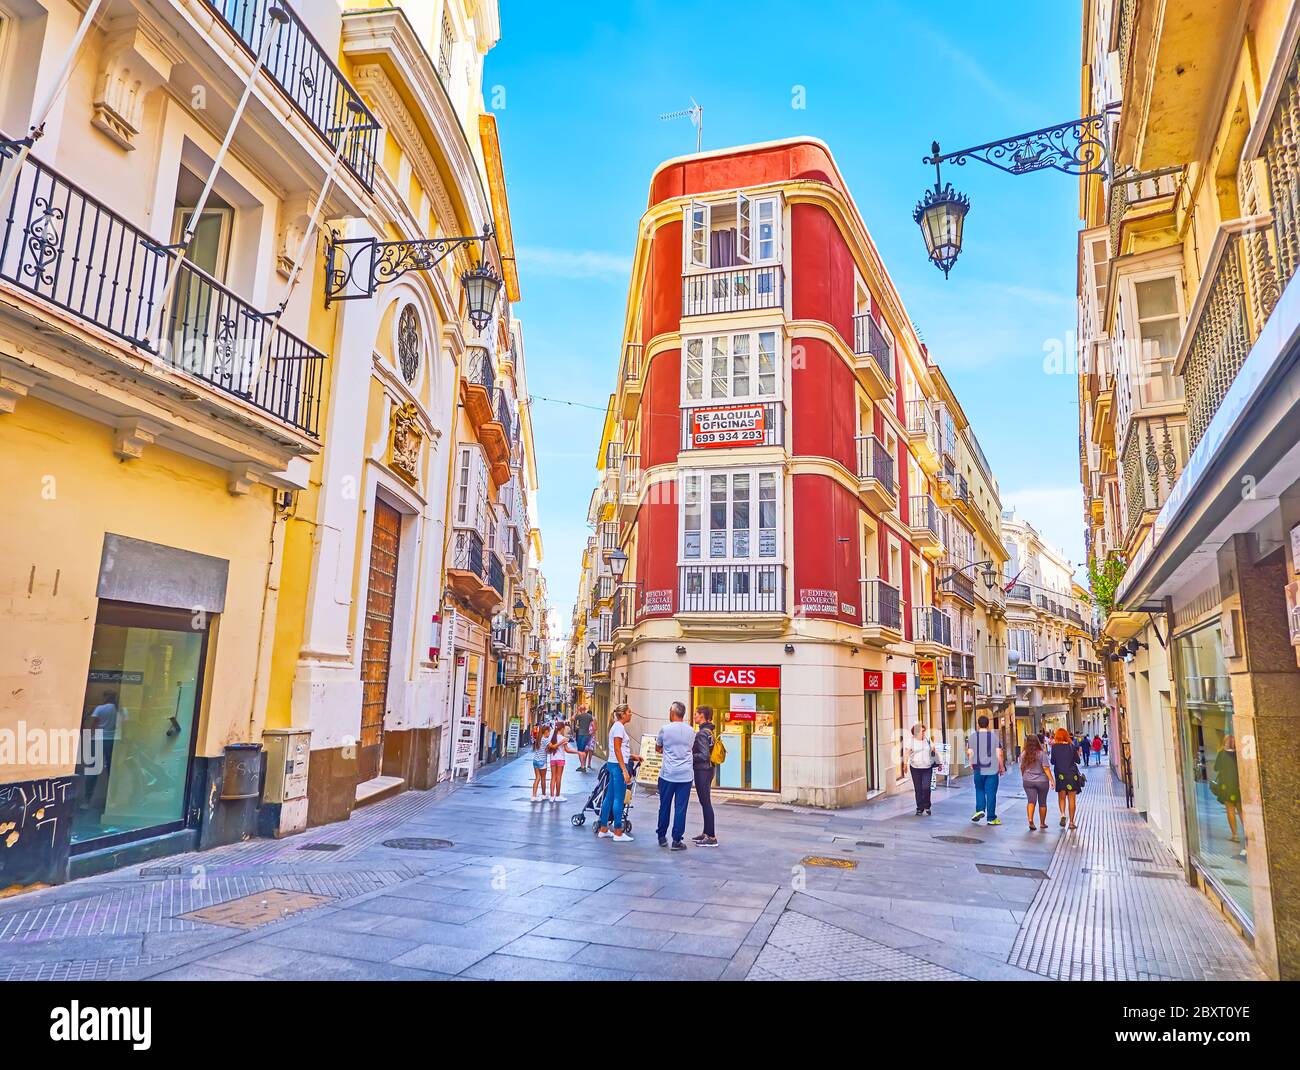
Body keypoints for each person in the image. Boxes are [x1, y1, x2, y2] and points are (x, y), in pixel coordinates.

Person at [654, 701, 694, 850]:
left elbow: (658, 747)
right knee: (680, 808)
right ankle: (677, 840)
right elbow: (690, 747)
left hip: (668, 774)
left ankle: (662, 836)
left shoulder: (665, 729)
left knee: (664, 805)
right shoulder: (691, 731)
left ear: (672, 712)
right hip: (686, 775)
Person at [597, 705, 636, 842]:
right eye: (629, 712)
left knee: (609, 797)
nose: (631, 714)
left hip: (613, 764)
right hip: (618, 766)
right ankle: (618, 832)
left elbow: (618, 750)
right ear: (623, 714)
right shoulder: (619, 727)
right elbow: (618, 749)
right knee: (619, 798)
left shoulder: (616, 727)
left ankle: (603, 828)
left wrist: (632, 757)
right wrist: (624, 770)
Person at [966, 715, 1005, 826]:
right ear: (988, 724)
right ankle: (991, 818)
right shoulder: (993, 737)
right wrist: (1001, 767)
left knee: (979, 789)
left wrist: (971, 763)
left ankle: (980, 809)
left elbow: (969, 752)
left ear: (978, 724)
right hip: (992, 769)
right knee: (991, 792)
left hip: (978, 768)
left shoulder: (973, 737)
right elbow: (999, 753)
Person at [1212, 735, 1245, 857]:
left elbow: (1216, 768)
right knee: (1241, 811)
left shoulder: (1222, 754)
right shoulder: (1239, 754)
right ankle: (1247, 834)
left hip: (1226, 786)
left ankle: (1235, 835)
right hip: (1238, 786)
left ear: (1225, 742)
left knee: (1230, 810)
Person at [690, 706, 719, 847]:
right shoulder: (710, 731)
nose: (694, 716)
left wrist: (689, 756)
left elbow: (703, 755)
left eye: (696, 714)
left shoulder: (702, 733)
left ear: (702, 716)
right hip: (709, 769)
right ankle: (706, 833)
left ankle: (711, 837)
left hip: (702, 770)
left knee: (706, 802)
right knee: (705, 802)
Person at [1051, 727, 1084, 829]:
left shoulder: (1054, 747)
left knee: (1061, 797)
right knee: (1072, 799)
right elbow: (1078, 761)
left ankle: (1062, 814)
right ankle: (1071, 822)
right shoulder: (1071, 746)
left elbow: (1052, 761)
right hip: (1072, 776)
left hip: (1060, 775)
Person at [1020, 734, 1052, 831]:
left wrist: (1024, 776)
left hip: (1028, 780)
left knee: (1031, 801)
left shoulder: (1023, 754)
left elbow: (1022, 767)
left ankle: (1030, 819)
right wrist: (1052, 780)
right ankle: (1042, 823)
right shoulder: (1042, 753)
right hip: (1042, 781)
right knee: (1042, 802)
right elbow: (1046, 768)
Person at [907, 723, 937, 816]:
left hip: (927, 767)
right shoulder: (911, 741)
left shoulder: (927, 739)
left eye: (924, 731)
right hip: (915, 768)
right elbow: (906, 753)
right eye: (922, 731)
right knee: (918, 788)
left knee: (926, 787)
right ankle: (919, 808)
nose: (924, 732)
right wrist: (904, 765)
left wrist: (934, 751)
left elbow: (933, 749)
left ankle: (927, 806)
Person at [547, 719, 576, 802]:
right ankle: (558, 795)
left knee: (553, 777)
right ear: (562, 728)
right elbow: (567, 750)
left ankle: (552, 796)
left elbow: (550, 747)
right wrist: (578, 752)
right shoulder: (563, 738)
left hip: (553, 759)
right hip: (560, 760)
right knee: (559, 777)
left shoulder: (552, 737)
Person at [529, 723, 550, 803]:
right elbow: (551, 747)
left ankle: (533, 796)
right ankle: (544, 794)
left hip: (535, 761)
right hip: (542, 761)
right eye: (549, 732)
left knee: (537, 778)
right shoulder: (545, 739)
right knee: (543, 778)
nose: (549, 733)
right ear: (546, 731)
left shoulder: (539, 738)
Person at [573, 706, 595, 772]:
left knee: (580, 751)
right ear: (585, 709)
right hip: (587, 735)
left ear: (580, 709)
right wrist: (591, 734)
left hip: (581, 735)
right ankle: (583, 766)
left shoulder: (580, 716)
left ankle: (582, 766)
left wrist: (576, 712)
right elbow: (594, 727)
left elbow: (572, 718)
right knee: (584, 750)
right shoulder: (590, 716)